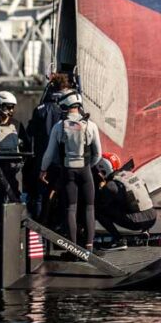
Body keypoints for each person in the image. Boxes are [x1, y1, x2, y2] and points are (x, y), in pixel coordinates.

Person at [40, 91, 102, 251]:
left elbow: (49, 153)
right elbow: (98, 154)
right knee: (89, 207)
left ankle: (73, 248)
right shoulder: (91, 125)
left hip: (68, 172)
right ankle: (89, 246)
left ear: (64, 106)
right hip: (85, 170)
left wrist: (43, 170)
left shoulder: (59, 126)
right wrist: (89, 165)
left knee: (71, 208)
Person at [27, 72, 73, 217]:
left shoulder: (40, 109)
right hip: (62, 161)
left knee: (41, 196)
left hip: (42, 160)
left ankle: (39, 230)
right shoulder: (67, 110)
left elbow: (31, 132)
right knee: (64, 197)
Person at [92, 155, 157, 250]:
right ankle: (145, 231)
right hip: (153, 216)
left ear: (103, 168)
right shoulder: (130, 174)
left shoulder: (111, 185)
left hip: (138, 222)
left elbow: (100, 203)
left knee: (98, 211)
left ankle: (118, 240)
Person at [0, 90, 31, 206]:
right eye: (9, 107)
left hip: (13, 167)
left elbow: (27, 144)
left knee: (14, 194)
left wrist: (22, 161)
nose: (11, 110)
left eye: (12, 107)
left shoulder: (17, 124)